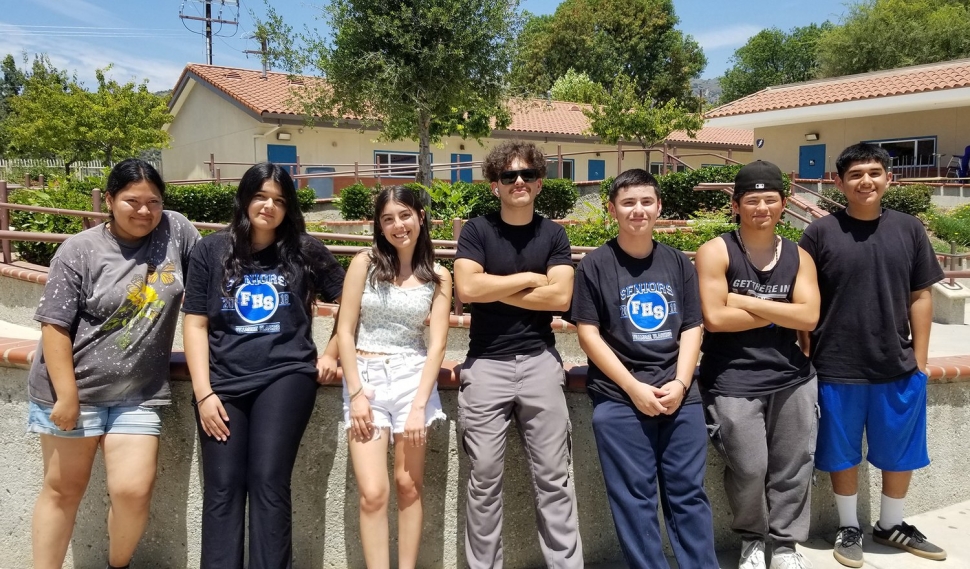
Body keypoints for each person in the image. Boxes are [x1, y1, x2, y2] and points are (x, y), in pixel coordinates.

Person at [27, 159, 200, 569]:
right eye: (131, 201)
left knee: (133, 491)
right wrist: (67, 397)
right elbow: (54, 327)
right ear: (109, 200)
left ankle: (116, 566)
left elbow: (211, 279)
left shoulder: (176, 231)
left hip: (136, 395)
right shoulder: (80, 250)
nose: (144, 211)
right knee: (62, 490)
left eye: (153, 202)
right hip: (73, 391)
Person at [181, 162, 345, 568]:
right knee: (222, 487)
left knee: (268, 480)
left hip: (286, 376)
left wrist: (331, 352)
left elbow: (351, 301)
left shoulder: (304, 249)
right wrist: (203, 393)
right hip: (222, 383)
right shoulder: (210, 250)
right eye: (260, 196)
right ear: (244, 198)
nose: (269, 206)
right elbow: (196, 322)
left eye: (279, 200)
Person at [799, 143, 946, 567]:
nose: (866, 180)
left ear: (888, 179)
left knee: (900, 451)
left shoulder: (909, 229)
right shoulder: (820, 233)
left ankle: (891, 524)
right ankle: (849, 526)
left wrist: (919, 362)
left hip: (897, 365)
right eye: (856, 174)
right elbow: (803, 301)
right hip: (836, 365)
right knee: (841, 451)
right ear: (838, 181)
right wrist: (809, 353)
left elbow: (921, 295)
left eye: (874, 172)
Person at [567, 168, 717, 569]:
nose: (638, 210)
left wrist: (683, 383)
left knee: (688, 494)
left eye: (646, 202)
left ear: (659, 207)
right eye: (629, 202)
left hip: (679, 397)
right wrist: (633, 388)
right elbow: (588, 335)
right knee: (634, 500)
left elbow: (692, 326)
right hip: (619, 398)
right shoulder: (595, 265)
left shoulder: (678, 263)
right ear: (613, 209)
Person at [454, 140, 583, 568]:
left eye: (527, 174)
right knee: (484, 480)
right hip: (486, 363)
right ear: (495, 186)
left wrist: (497, 287)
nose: (519, 182)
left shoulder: (554, 234)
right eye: (508, 176)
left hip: (540, 363)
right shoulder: (477, 230)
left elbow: (561, 296)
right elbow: (468, 290)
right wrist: (531, 278)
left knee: (554, 479)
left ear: (540, 182)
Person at [696, 160, 820, 569]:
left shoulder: (799, 256)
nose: (761, 207)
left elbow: (809, 318)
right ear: (735, 204)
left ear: (784, 204)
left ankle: (784, 545)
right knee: (749, 467)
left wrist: (744, 301)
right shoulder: (716, 251)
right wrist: (783, 308)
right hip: (732, 378)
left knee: (793, 466)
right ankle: (752, 537)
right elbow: (715, 318)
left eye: (771, 199)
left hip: (791, 377)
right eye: (752, 200)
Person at [336, 186, 451, 568]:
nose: (398, 225)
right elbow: (346, 330)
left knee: (408, 486)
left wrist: (420, 406)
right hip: (365, 379)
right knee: (373, 492)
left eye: (404, 215)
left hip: (412, 381)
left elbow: (436, 346)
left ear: (420, 216)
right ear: (379, 225)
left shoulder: (439, 276)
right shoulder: (363, 263)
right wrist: (355, 394)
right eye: (388, 219)